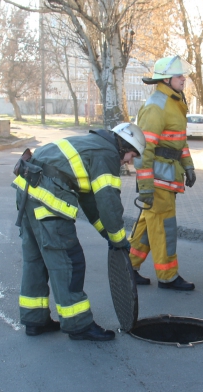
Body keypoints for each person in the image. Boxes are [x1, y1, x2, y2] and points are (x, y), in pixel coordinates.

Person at [12, 123, 145, 341]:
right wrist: (120, 240)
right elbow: (109, 203)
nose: (129, 161)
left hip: (26, 191)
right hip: (49, 199)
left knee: (36, 260)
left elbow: (90, 202)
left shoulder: (91, 145)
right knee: (69, 262)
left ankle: (35, 320)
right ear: (124, 146)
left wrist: (108, 235)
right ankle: (78, 325)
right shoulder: (108, 154)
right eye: (132, 154)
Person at [128, 55, 197, 291]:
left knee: (150, 224)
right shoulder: (157, 106)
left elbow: (179, 142)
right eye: (179, 76)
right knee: (164, 226)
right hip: (158, 180)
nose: (183, 79)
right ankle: (168, 276)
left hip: (166, 177)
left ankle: (129, 266)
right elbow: (143, 149)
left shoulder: (174, 103)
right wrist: (146, 187)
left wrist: (188, 165)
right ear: (166, 79)